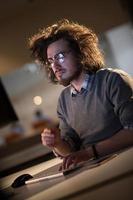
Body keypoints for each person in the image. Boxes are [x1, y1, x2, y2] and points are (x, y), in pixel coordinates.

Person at [29, 19, 133, 170]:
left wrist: (89, 153)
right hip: (94, 169)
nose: (55, 66)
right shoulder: (64, 100)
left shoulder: (113, 80)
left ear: (80, 52)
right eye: (51, 60)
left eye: (60, 56)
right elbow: (72, 150)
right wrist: (57, 143)